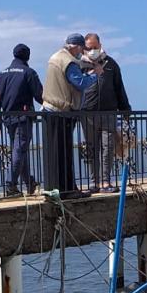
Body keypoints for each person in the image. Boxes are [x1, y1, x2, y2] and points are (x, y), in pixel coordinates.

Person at [43, 33, 101, 199]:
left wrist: (86, 62)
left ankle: (56, 189)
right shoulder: (69, 62)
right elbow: (81, 83)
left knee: (55, 153)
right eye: (82, 48)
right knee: (64, 153)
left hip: (50, 110)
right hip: (61, 113)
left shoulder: (56, 57)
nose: (83, 51)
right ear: (76, 46)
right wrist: (95, 73)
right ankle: (68, 190)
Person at [81, 33, 131, 193]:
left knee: (107, 147)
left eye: (95, 47)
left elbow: (119, 87)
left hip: (109, 112)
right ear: (84, 48)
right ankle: (94, 182)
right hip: (87, 113)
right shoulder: (79, 65)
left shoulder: (111, 64)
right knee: (91, 148)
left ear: (100, 45)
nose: (93, 50)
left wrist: (125, 110)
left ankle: (105, 182)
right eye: (89, 48)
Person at [0, 43, 43, 197]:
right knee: (19, 150)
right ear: (27, 56)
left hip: (8, 118)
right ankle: (11, 185)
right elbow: (40, 96)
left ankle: (29, 182)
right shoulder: (28, 72)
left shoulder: (2, 74)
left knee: (19, 151)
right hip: (23, 117)